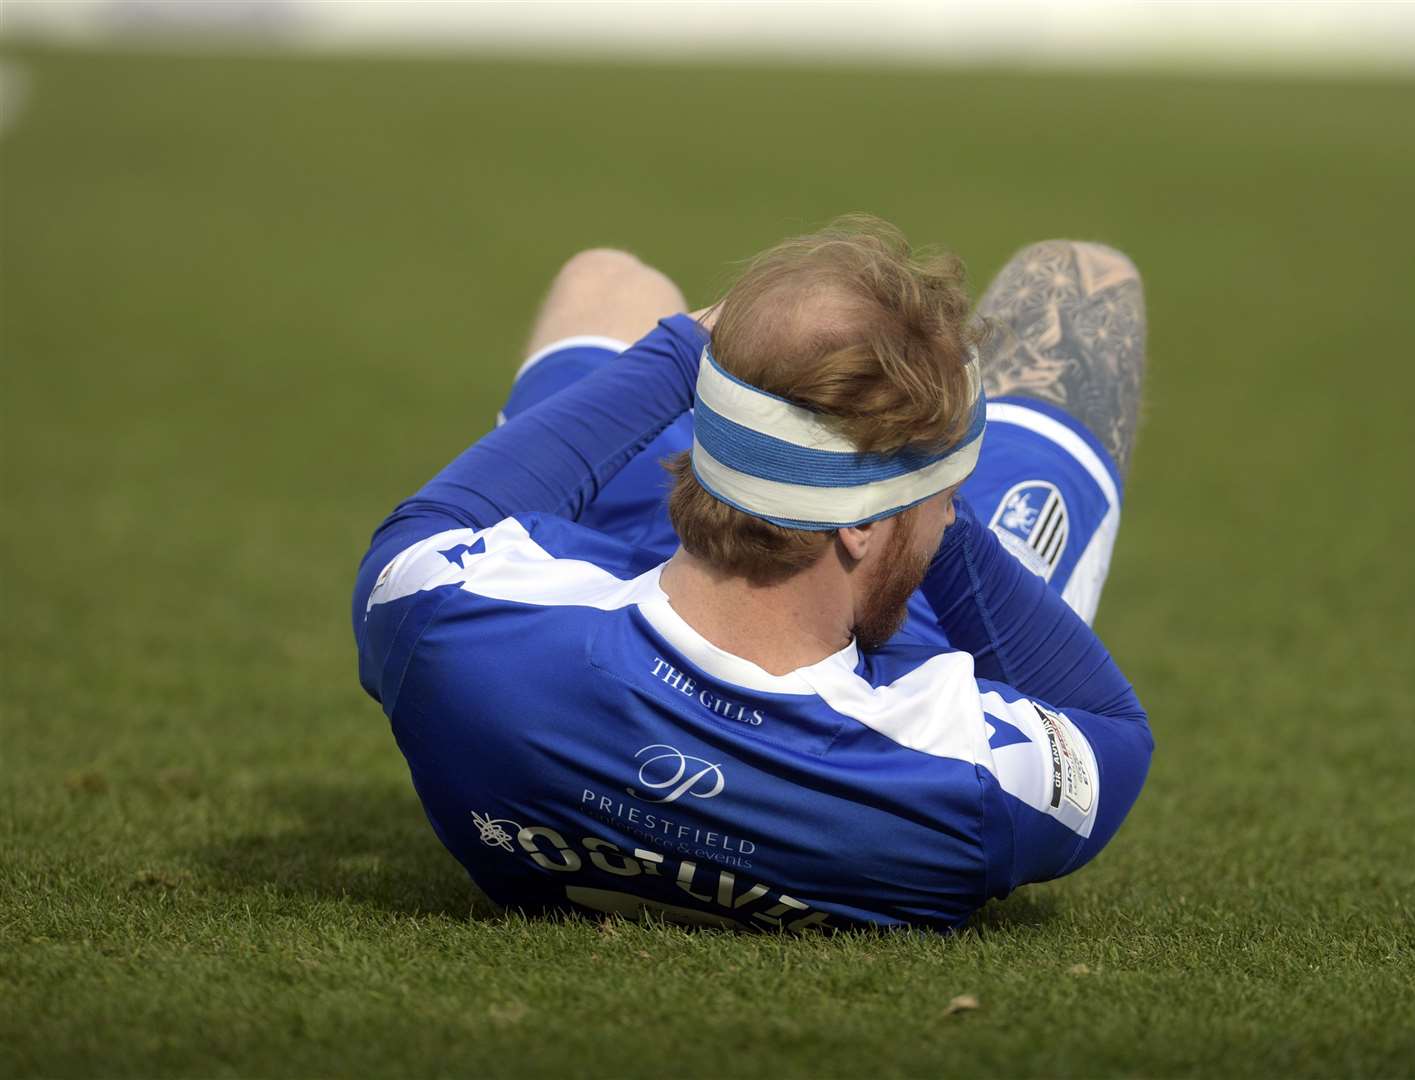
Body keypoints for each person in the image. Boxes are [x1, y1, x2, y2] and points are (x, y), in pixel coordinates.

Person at [352, 216, 1152, 930]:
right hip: (867, 571)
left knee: (605, 278)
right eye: (943, 499)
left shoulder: (452, 631)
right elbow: (1108, 727)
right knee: (1078, 275)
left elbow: (430, 525)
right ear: (869, 523)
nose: (947, 514)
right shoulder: (968, 777)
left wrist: (692, 349)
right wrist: (936, 506)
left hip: (630, 565)